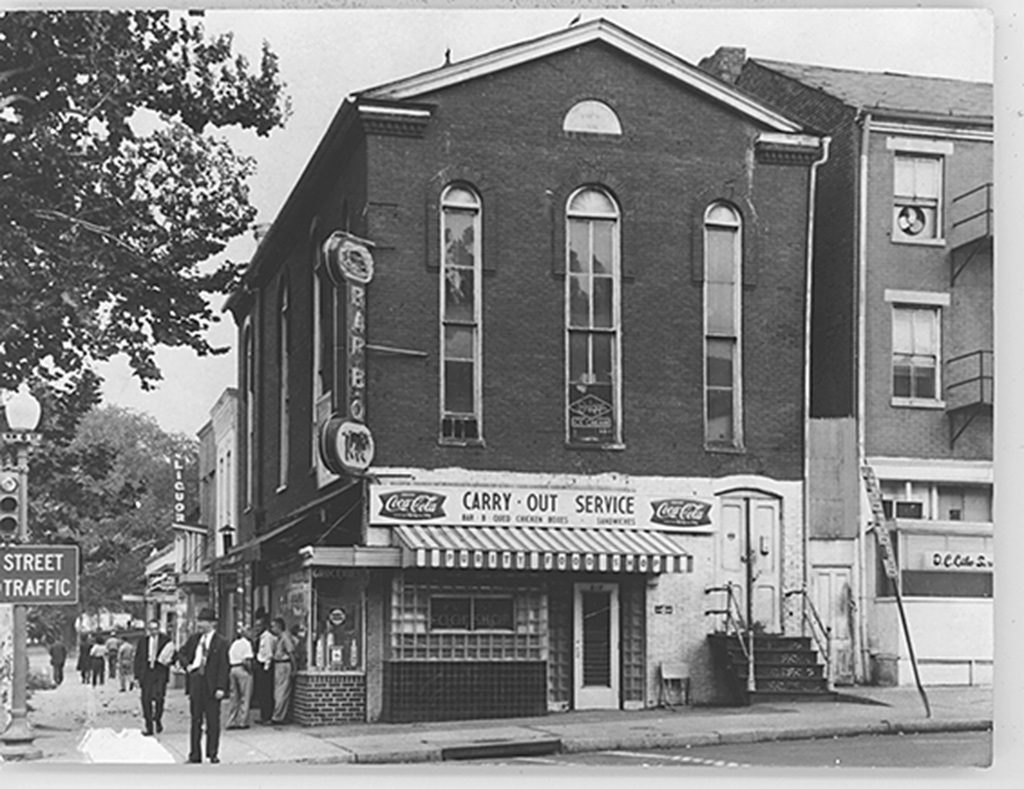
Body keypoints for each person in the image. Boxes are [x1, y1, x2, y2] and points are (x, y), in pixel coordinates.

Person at [178, 607, 229, 764]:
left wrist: (221, 687)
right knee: (196, 720)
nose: (200, 624)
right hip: (196, 682)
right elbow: (182, 653)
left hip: (212, 686)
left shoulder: (221, 642)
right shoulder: (194, 639)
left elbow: (223, 666)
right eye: (199, 621)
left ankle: (212, 753)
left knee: (213, 721)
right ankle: (195, 754)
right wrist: (187, 666)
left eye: (203, 621)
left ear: (212, 623)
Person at [134, 620, 172, 735]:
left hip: (160, 671)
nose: (153, 632)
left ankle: (158, 719)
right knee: (146, 699)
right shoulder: (143, 642)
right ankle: (149, 725)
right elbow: (138, 658)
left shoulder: (166, 641)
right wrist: (136, 676)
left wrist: (170, 661)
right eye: (151, 629)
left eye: (155, 629)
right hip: (147, 672)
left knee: (159, 697)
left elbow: (172, 654)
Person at [224, 623, 254, 729]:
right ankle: (242, 721)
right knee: (245, 696)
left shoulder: (234, 644)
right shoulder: (247, 644)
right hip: (242, 669)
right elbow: (247, 660)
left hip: (233, 668)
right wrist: (250, 671)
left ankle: (231, 720)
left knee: (234, 697)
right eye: (250, 631)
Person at [269, 617, 296, 725]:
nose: (272, 629)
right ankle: (278, 714)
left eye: (273, 626)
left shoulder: (285, 637)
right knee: (278, 691)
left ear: (279, 626)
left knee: (281, 692)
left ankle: (278, 716)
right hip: (278, 665)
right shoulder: (278, 638)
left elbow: (291, 653)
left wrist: (294, 668)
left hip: (284, 665)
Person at [253, 612, 277, 725]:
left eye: (259, 626)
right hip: (260, 664)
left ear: (264, 626)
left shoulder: (267, 637)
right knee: (261, 693)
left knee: (266, 693)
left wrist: (266, 668)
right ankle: (263, 715)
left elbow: (268, 654)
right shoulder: (260, 637)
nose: (257, 628)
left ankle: (267, 716)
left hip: (265, 667)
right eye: (256, 626)